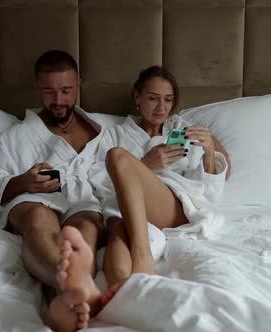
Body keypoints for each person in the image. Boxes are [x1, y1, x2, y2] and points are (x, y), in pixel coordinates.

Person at [55, 65, 230, 325]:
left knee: (117, 156)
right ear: (137, 97)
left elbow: (209, 193)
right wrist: (146, 164)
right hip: (128, 212)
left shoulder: (184, 131)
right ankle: (121, 294)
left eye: (168, 99)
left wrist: (207, 153)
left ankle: (142, 256)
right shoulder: (113, 133)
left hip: (172, 206)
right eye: (152, 98)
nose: (161, 107)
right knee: (116, 228)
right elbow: (96, 182)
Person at [0, 50, 107, 331]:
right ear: (37, 88)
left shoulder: (102, 130)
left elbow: (129, 166)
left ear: (78, 83)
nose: (57, 101)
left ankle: (64, 299)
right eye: (48, 92)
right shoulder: (18, 136)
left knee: (87, 227)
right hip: (35, 199)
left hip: (81, 200)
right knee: (39, 219)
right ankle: (70, 286)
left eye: (66, 91)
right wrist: (22, 182)